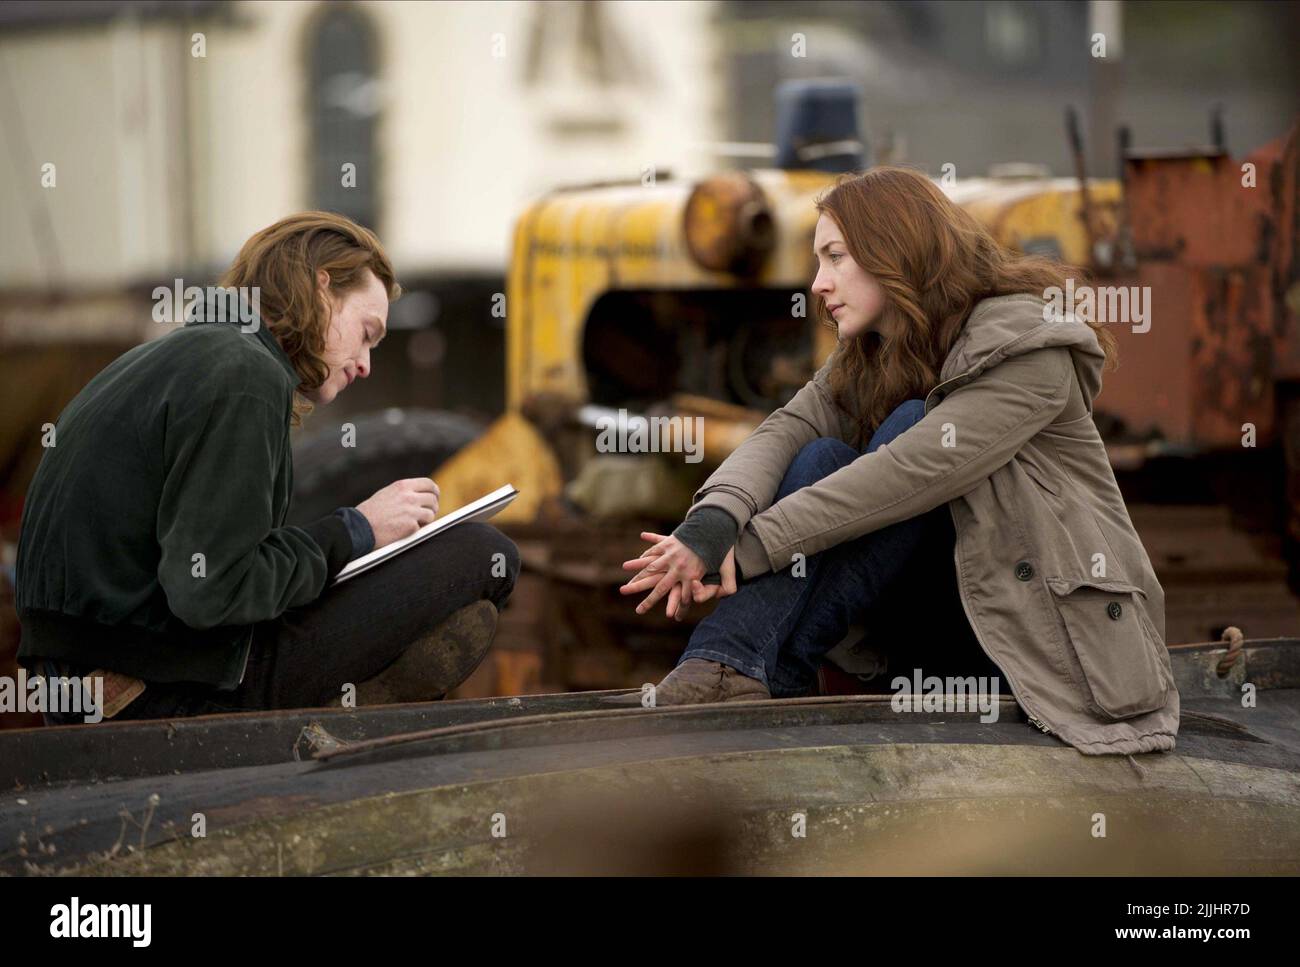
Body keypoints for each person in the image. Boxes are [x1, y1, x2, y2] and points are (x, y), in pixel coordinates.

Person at [616, 167, 1178, 757]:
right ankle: (727, 666)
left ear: (895, 251)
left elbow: (907, 474)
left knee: (908, 428)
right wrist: (709, 529)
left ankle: (756, 679)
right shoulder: (880, 350)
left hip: (1028, 643)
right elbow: (788, 427)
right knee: (822, 452)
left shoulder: (1029, 351)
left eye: (835, 258)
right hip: (926, 633)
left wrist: (748, 549)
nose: (817, 284)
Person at [16, 212, 519, 723]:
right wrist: (359, 530)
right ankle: (337, 718)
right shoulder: (244, 372)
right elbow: (212, 590)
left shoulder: (189, 355)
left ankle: (343, 707)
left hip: (95, 676)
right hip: (151, 689)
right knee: (481, 552)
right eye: (367, 333)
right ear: (321, 288)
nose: (366, 364)